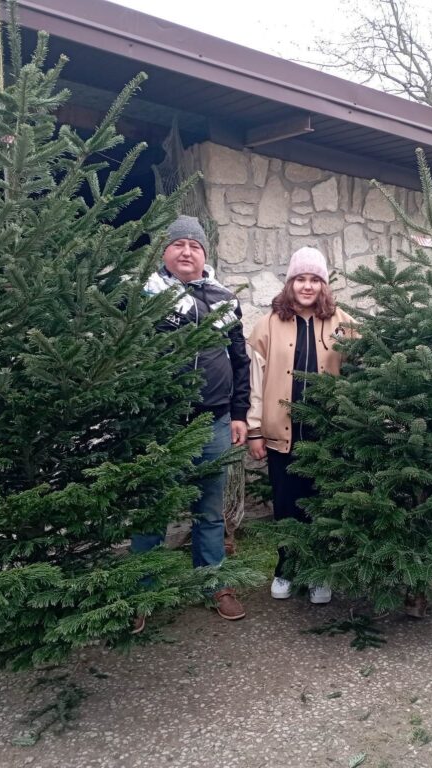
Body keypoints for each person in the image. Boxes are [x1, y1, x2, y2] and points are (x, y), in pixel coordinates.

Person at [133, 215, 250, 627]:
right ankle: (140, 593)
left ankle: (214, 582)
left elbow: (239, 359)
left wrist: (239, 414)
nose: (187, 252)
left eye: (195, 246)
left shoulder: (224, 297)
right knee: (152, 509)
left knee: (209, 510)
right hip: (162, 424)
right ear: (165, 252)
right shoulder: (145, 296)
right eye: (179, 245)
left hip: (215, 423)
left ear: (205, 255)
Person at [246, 247, 355, 604]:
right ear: (290, 283)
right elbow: (254, 382)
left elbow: (362, 372)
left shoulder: (344, 323)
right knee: (287, 503)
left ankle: (320, 572)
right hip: (282, 435)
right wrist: (255, 430)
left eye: (314, 279)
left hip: (326, 435)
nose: (307, 286)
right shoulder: (267, 325)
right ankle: (286, 568)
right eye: (300, 279)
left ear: (323, 285)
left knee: (321, 504)